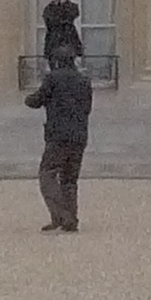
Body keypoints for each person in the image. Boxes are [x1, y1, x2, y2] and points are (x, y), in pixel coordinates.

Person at [23, 33, 93, 232]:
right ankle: (69, 218)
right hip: (79, 136)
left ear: (56, 61)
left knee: (47, 174)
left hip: (58, 136)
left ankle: (62, 215)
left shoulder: (53, 78)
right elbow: (87, 108)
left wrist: (28, 99)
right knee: (69, 179)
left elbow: (37, 100)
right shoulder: (84, 81)